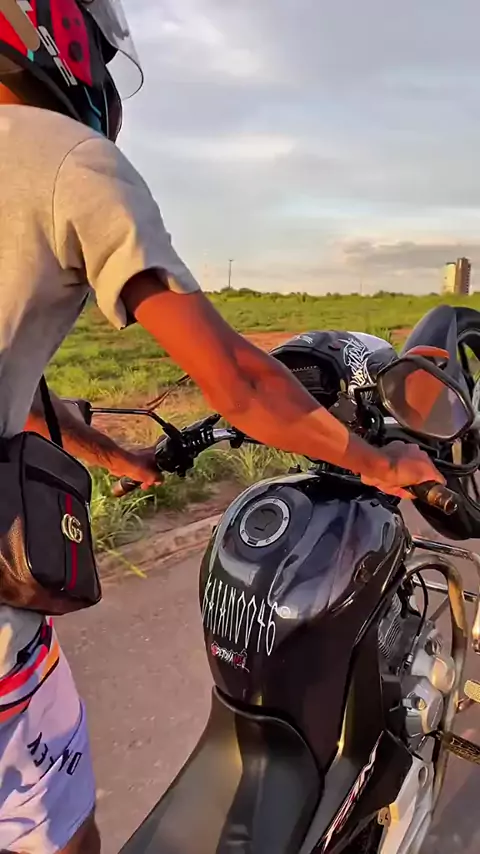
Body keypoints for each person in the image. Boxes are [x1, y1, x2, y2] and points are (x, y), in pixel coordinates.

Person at [0, 1, 443, 852]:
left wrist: (106, 450)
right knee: (59, 833)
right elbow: (238, 377)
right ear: (61, 33)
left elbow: (18, 379)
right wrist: (379, 462)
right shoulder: (64, 158)